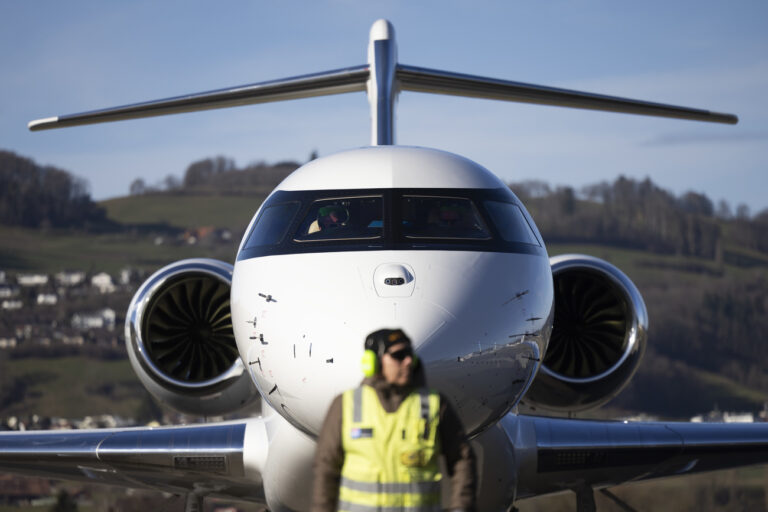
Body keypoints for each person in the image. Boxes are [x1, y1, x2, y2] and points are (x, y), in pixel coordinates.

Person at [312, 329, 476, 512]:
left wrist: (462, 507)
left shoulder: (435, 405)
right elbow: (326, 468)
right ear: (373, 363)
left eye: (409, 355)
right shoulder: (345, 405)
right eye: (399, 355)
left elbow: (463, 459)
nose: (408, 361)